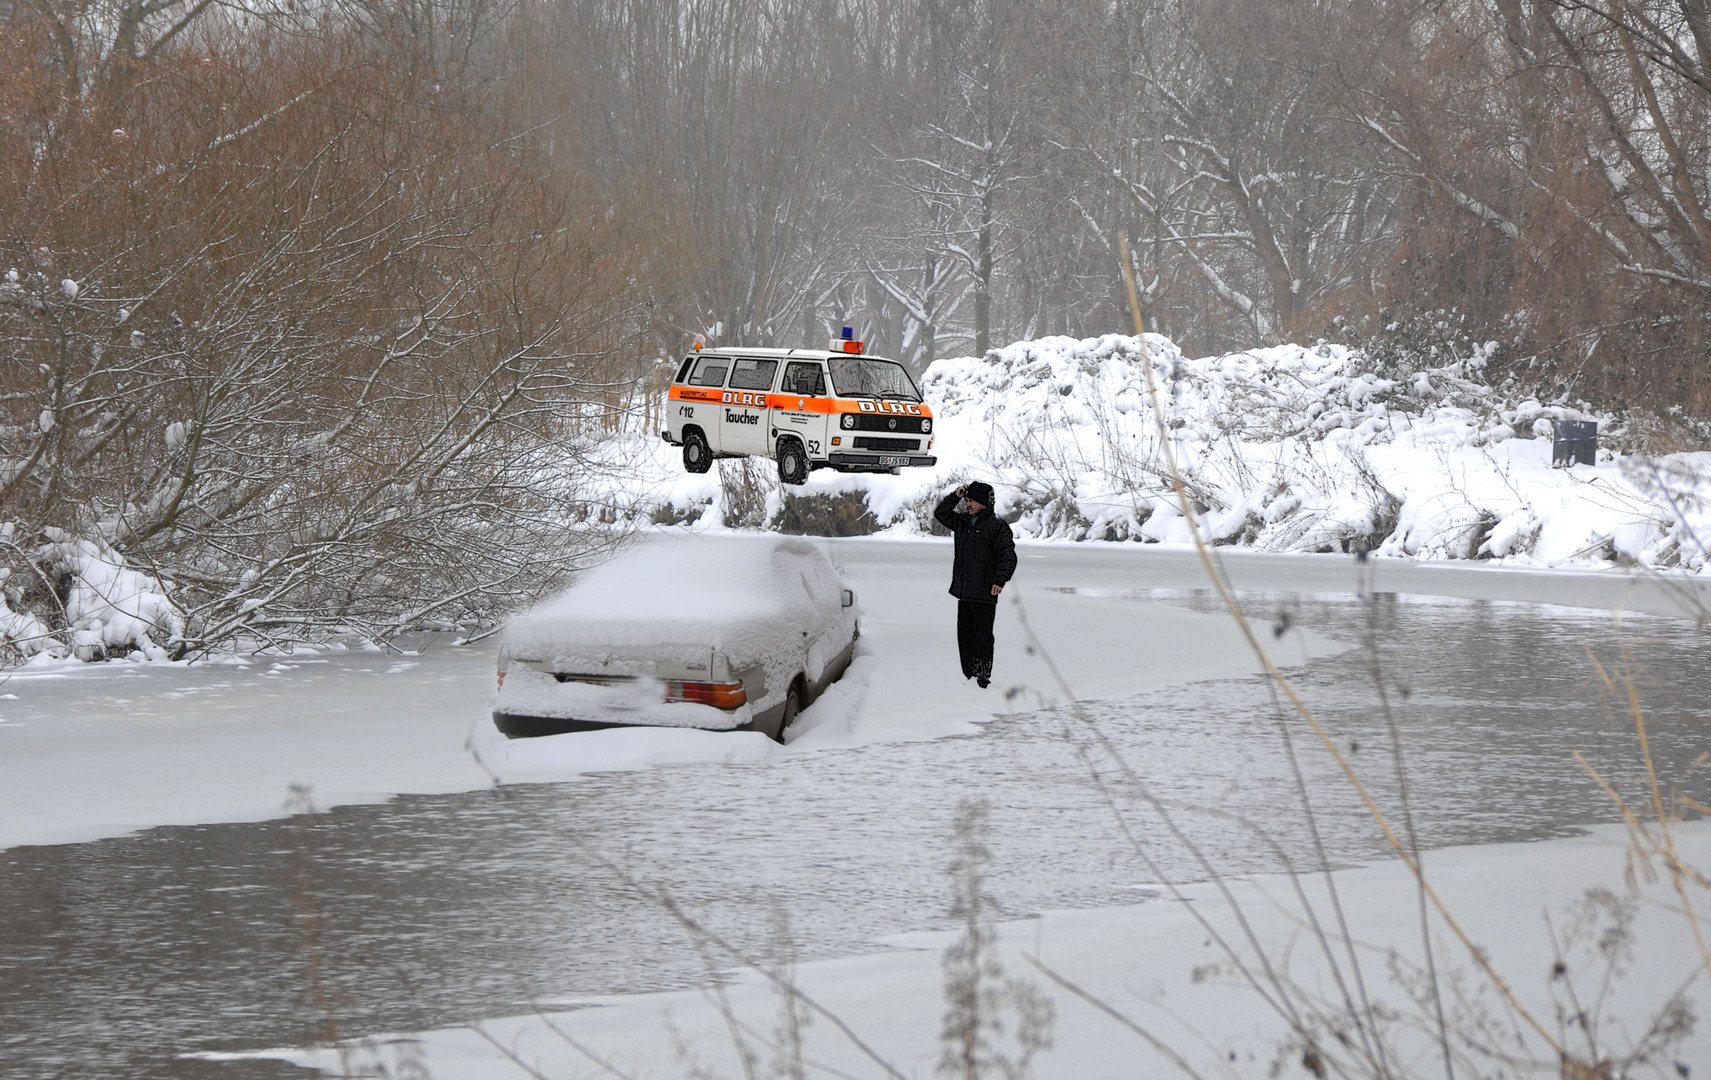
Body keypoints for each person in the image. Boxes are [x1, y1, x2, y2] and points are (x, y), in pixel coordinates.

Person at [933, 481, 1016, 688]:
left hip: (986, 591)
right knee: (965, 636)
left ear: (983, 503)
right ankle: (969, 674)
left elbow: (1008, 556)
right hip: (964, 590)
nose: (967, 504)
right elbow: (941, 514)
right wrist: (956, 495)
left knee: (983, 636)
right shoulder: (962, 522)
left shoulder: (997, 527)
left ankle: (983, 674)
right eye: (967, 500)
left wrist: (999, 580)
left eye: (971, 501)